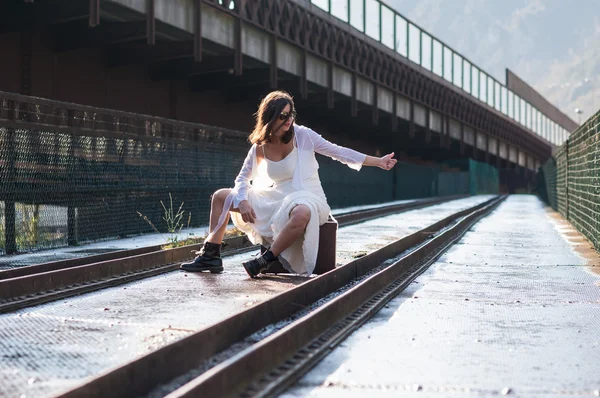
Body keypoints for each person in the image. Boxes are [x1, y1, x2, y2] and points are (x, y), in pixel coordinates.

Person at [180, 91, 397, 278]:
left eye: (291, 114)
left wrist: (378, 162)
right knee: (221, 197)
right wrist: (243, 201)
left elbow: (338, 152)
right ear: (270, 117)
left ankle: (266, 260)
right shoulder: (260, 146)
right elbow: (242, 179)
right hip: (276, 197)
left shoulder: (304, 136)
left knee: (301, 212)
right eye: (283, 115)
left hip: (307, 195)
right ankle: (211, 255)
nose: (288, 120)